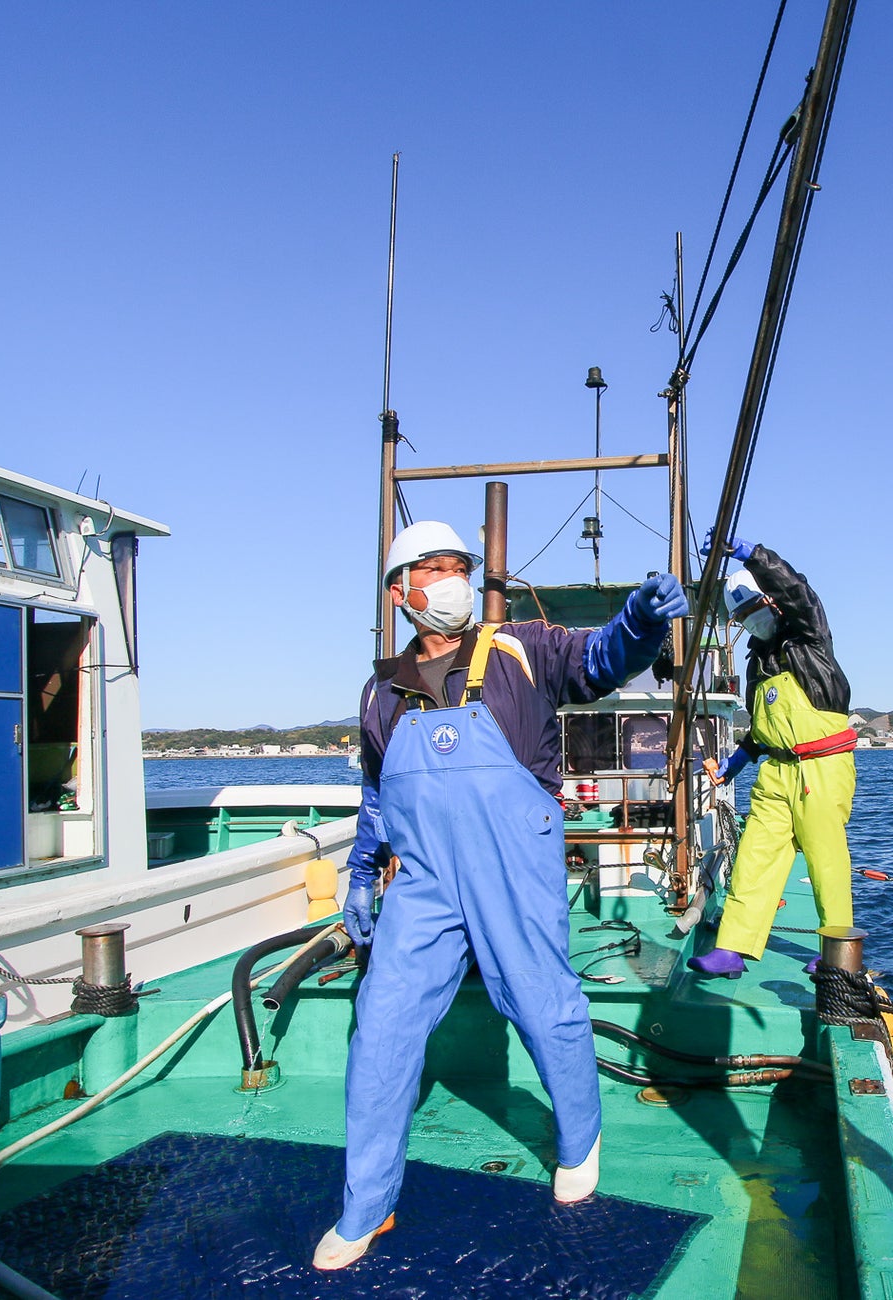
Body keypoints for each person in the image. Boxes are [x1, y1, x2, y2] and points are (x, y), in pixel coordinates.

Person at [315, 520, 688, 1270]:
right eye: (434, 569)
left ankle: (579, 1141)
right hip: (422, 884)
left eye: (459, 566)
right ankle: (366, 1206)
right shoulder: (380, 690)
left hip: (513, 872)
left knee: (542, 1004)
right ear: (400, 591)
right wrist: (360, 870)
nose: (452, 581)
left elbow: (602, 659)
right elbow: (377, 792)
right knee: (381, 1026)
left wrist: (641, 622)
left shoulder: (524, 647)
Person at [687, 537, 855, 980]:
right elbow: (762, 731)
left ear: (772, 601)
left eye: (753, 608)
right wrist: (735, 763)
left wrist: (752, 555)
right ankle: (732, 948)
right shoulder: (756, 664)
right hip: (776, 772)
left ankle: (837, 952)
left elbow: (798, 591)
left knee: (826, 861)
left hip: (823, 765)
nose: (750, 620)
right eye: (741, 616)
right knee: (754, 856)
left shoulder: (809, 639)